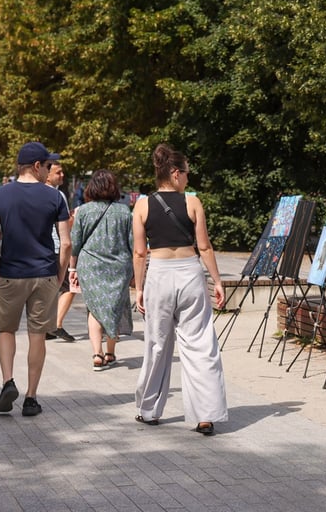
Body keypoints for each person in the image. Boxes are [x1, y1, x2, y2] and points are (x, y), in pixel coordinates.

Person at [132, 143, 227, 436]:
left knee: (157, 343)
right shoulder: (193, 202)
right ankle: (205, 415)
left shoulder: (143, 205)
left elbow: (139, 252)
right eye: (185, 172)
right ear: (175, 174)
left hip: (158, 274)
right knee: (199, 343)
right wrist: (217, 280)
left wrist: (139, 289)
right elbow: (204, 246)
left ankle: (148, 411)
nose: (187, 177)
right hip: (189, 273)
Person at [0, 142, 71, 417]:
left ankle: (8, 381)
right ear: (36, 166)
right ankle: (31, 398)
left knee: (6, 331)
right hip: (44, 275)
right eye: (47, 165)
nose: (49, 170)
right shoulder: (56, 198)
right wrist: (59, 275)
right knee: (37, 336)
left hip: (11, 273)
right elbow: (66, 244)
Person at [69, 169, 133, 371]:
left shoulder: (83, 211)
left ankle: (97, 353)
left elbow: (75, 243)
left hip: (91, 266)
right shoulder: (124, 212)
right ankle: (110, 352)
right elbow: (132, 243)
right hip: (118, 267)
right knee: (115, 307)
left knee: (95, 309)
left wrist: (72, 268)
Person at [45, 160, 76, 342]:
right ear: (47, 174)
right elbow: (62, 228)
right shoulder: (58, 196)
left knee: (49, 289)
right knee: (68, 287)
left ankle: (46, 326)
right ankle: (56, 325)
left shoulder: (37, 193)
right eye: (58, 172)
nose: (62, 176)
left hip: (43, 248)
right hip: (57, 247)